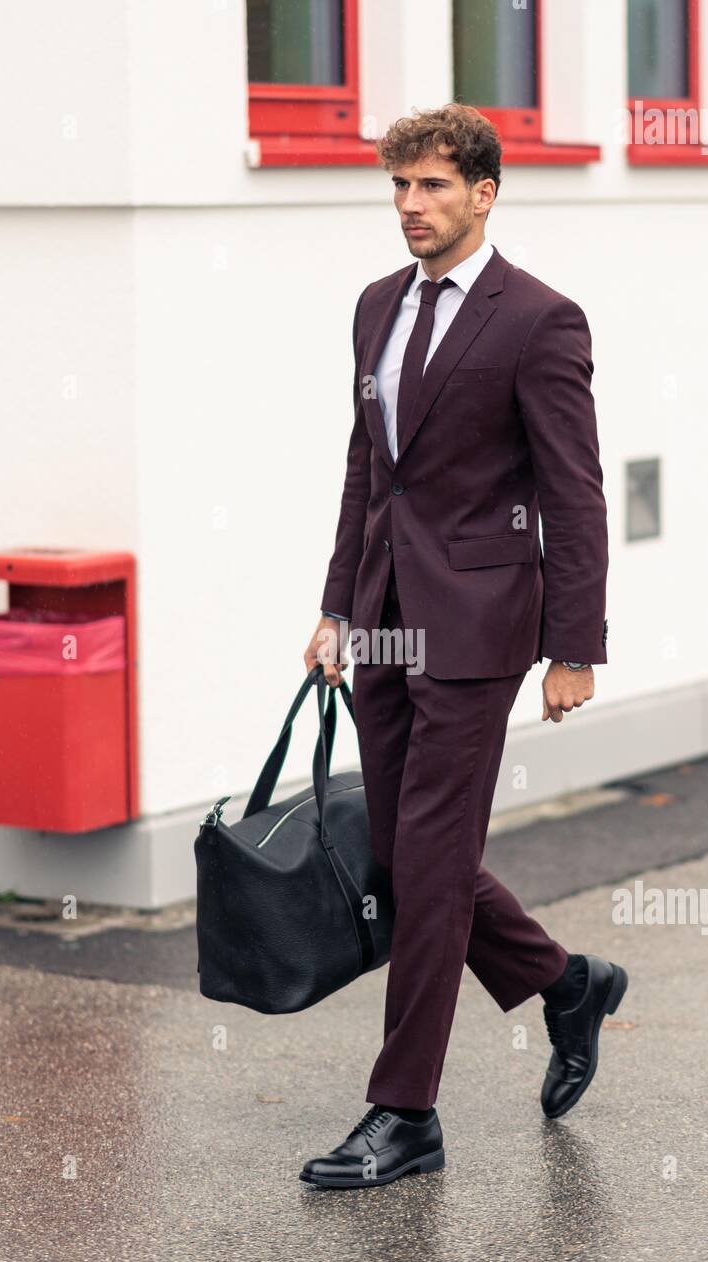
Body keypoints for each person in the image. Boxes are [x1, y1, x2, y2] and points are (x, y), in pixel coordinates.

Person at [300, 104, 628, 1190]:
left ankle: (403, 1112)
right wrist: (338, 607)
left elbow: (573, 494)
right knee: (403, 857)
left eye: (431, 187)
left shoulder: (539, 320)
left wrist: (571, 644)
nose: (409, 207)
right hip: (387, 615)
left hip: (481, 627)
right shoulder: (372, 309)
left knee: (431, 863)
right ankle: (566, 980)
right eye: (398, 188)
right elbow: (365, 467)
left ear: (482, 193)